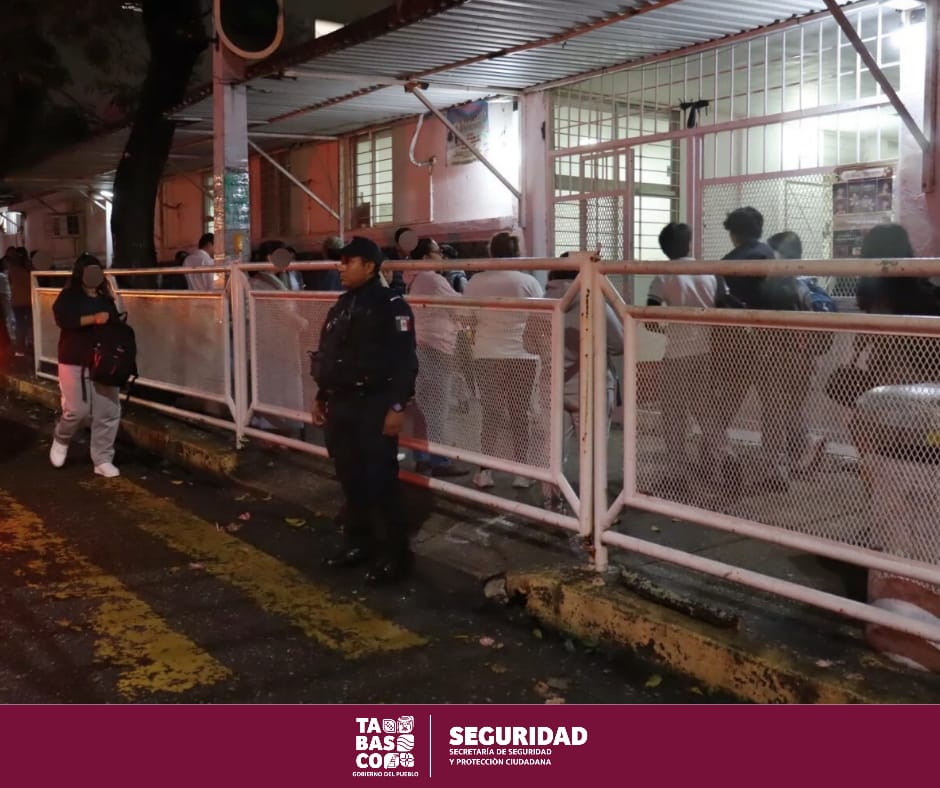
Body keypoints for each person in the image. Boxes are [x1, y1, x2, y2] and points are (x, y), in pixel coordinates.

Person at [311, 236, 418, 585]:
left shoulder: (391, 305)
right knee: (350, 478)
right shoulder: (343, 305)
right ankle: (358, 543)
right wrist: (321, 396)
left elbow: (405, 361)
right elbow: (330, 354)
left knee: (380, 480)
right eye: (341, 262)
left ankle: (396, 555)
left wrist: (397, 406)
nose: (341, 268)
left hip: (374, 403)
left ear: (369, 266)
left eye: (348, 262)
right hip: (341, 403)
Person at [540, 256, 624, 510]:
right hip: (592, 386)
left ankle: (552, 501)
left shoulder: (543, 301)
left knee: (553, 450)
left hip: (553, 385)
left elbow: (529, 341)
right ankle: (592, 509)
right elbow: (619, 344)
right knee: (592, 452)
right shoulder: (593, 300)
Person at [463, 231, 543, 489]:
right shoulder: (528, 282)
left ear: (492, 252)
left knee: (490, 413)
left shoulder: (476, 281)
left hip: (486, 352)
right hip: (522, 355)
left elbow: (467, 317)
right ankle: (521, 472)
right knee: (520, 413)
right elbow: (541, 318)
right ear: (517, 253)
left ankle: (485, 471)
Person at [647, 223, 717, 487]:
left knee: (674, 414)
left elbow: (650, 316)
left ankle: (677, 471)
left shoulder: (663, 277)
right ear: (689, 244)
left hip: (677, 353)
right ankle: (724, 456)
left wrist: (666, 330)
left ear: (664, 249)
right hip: (706, 352)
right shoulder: (708, 273)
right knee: (706, 411)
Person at [48, 253, 123, 478]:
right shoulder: (69, 297)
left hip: (104, 363)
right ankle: (61, 438)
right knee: (76, 410)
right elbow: (64, 320)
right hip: (73, 361)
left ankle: (102, 459)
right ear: (80, 274)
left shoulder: (106, 297)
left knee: (108, 411)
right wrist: (93, 318)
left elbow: (115, 323)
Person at [405, 237, 467, 478]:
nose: (441, 256)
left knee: (423, 408)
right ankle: (438, 460)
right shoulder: (432, 279)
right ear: (424, 257)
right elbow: (461, 305)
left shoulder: (415, 279)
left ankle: (422, 458)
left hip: (421, 345)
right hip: (436, 347)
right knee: (438, 408)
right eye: (437, 252)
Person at [8, 247, 33, 356]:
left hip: (16, 301)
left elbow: (10, 282)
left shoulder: (12, 269)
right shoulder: (29, 267)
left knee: (20, 324)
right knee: (31, 323)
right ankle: (31, 345)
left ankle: (20, 349)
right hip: (29, 300)